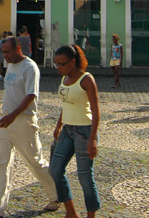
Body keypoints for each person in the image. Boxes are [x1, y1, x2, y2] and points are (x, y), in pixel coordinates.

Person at [0, 37, 59, 218]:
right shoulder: (11, 65)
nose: (4, 56)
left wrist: (13, 115)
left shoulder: (30, 67)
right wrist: (8, 116)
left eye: (7, 52)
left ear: (18, 48)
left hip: (24, 122)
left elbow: (31, 96)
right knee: (1, 164)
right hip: (5, 122)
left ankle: (57, 194)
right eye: (2, 52)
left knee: (35, 162)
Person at [49, 45, 101, 218]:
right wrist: (58, 126)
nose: (58, 68)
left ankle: (90, 215)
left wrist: (92, 139)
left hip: (84, 131)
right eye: (56, 64)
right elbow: (67, 103)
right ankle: (71, 212)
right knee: (55, 170)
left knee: (85, 176)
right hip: (67, 129)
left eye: (61, 64)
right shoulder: (64, 78)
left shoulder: (87, 79)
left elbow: (96, 111)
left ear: (73, 62)